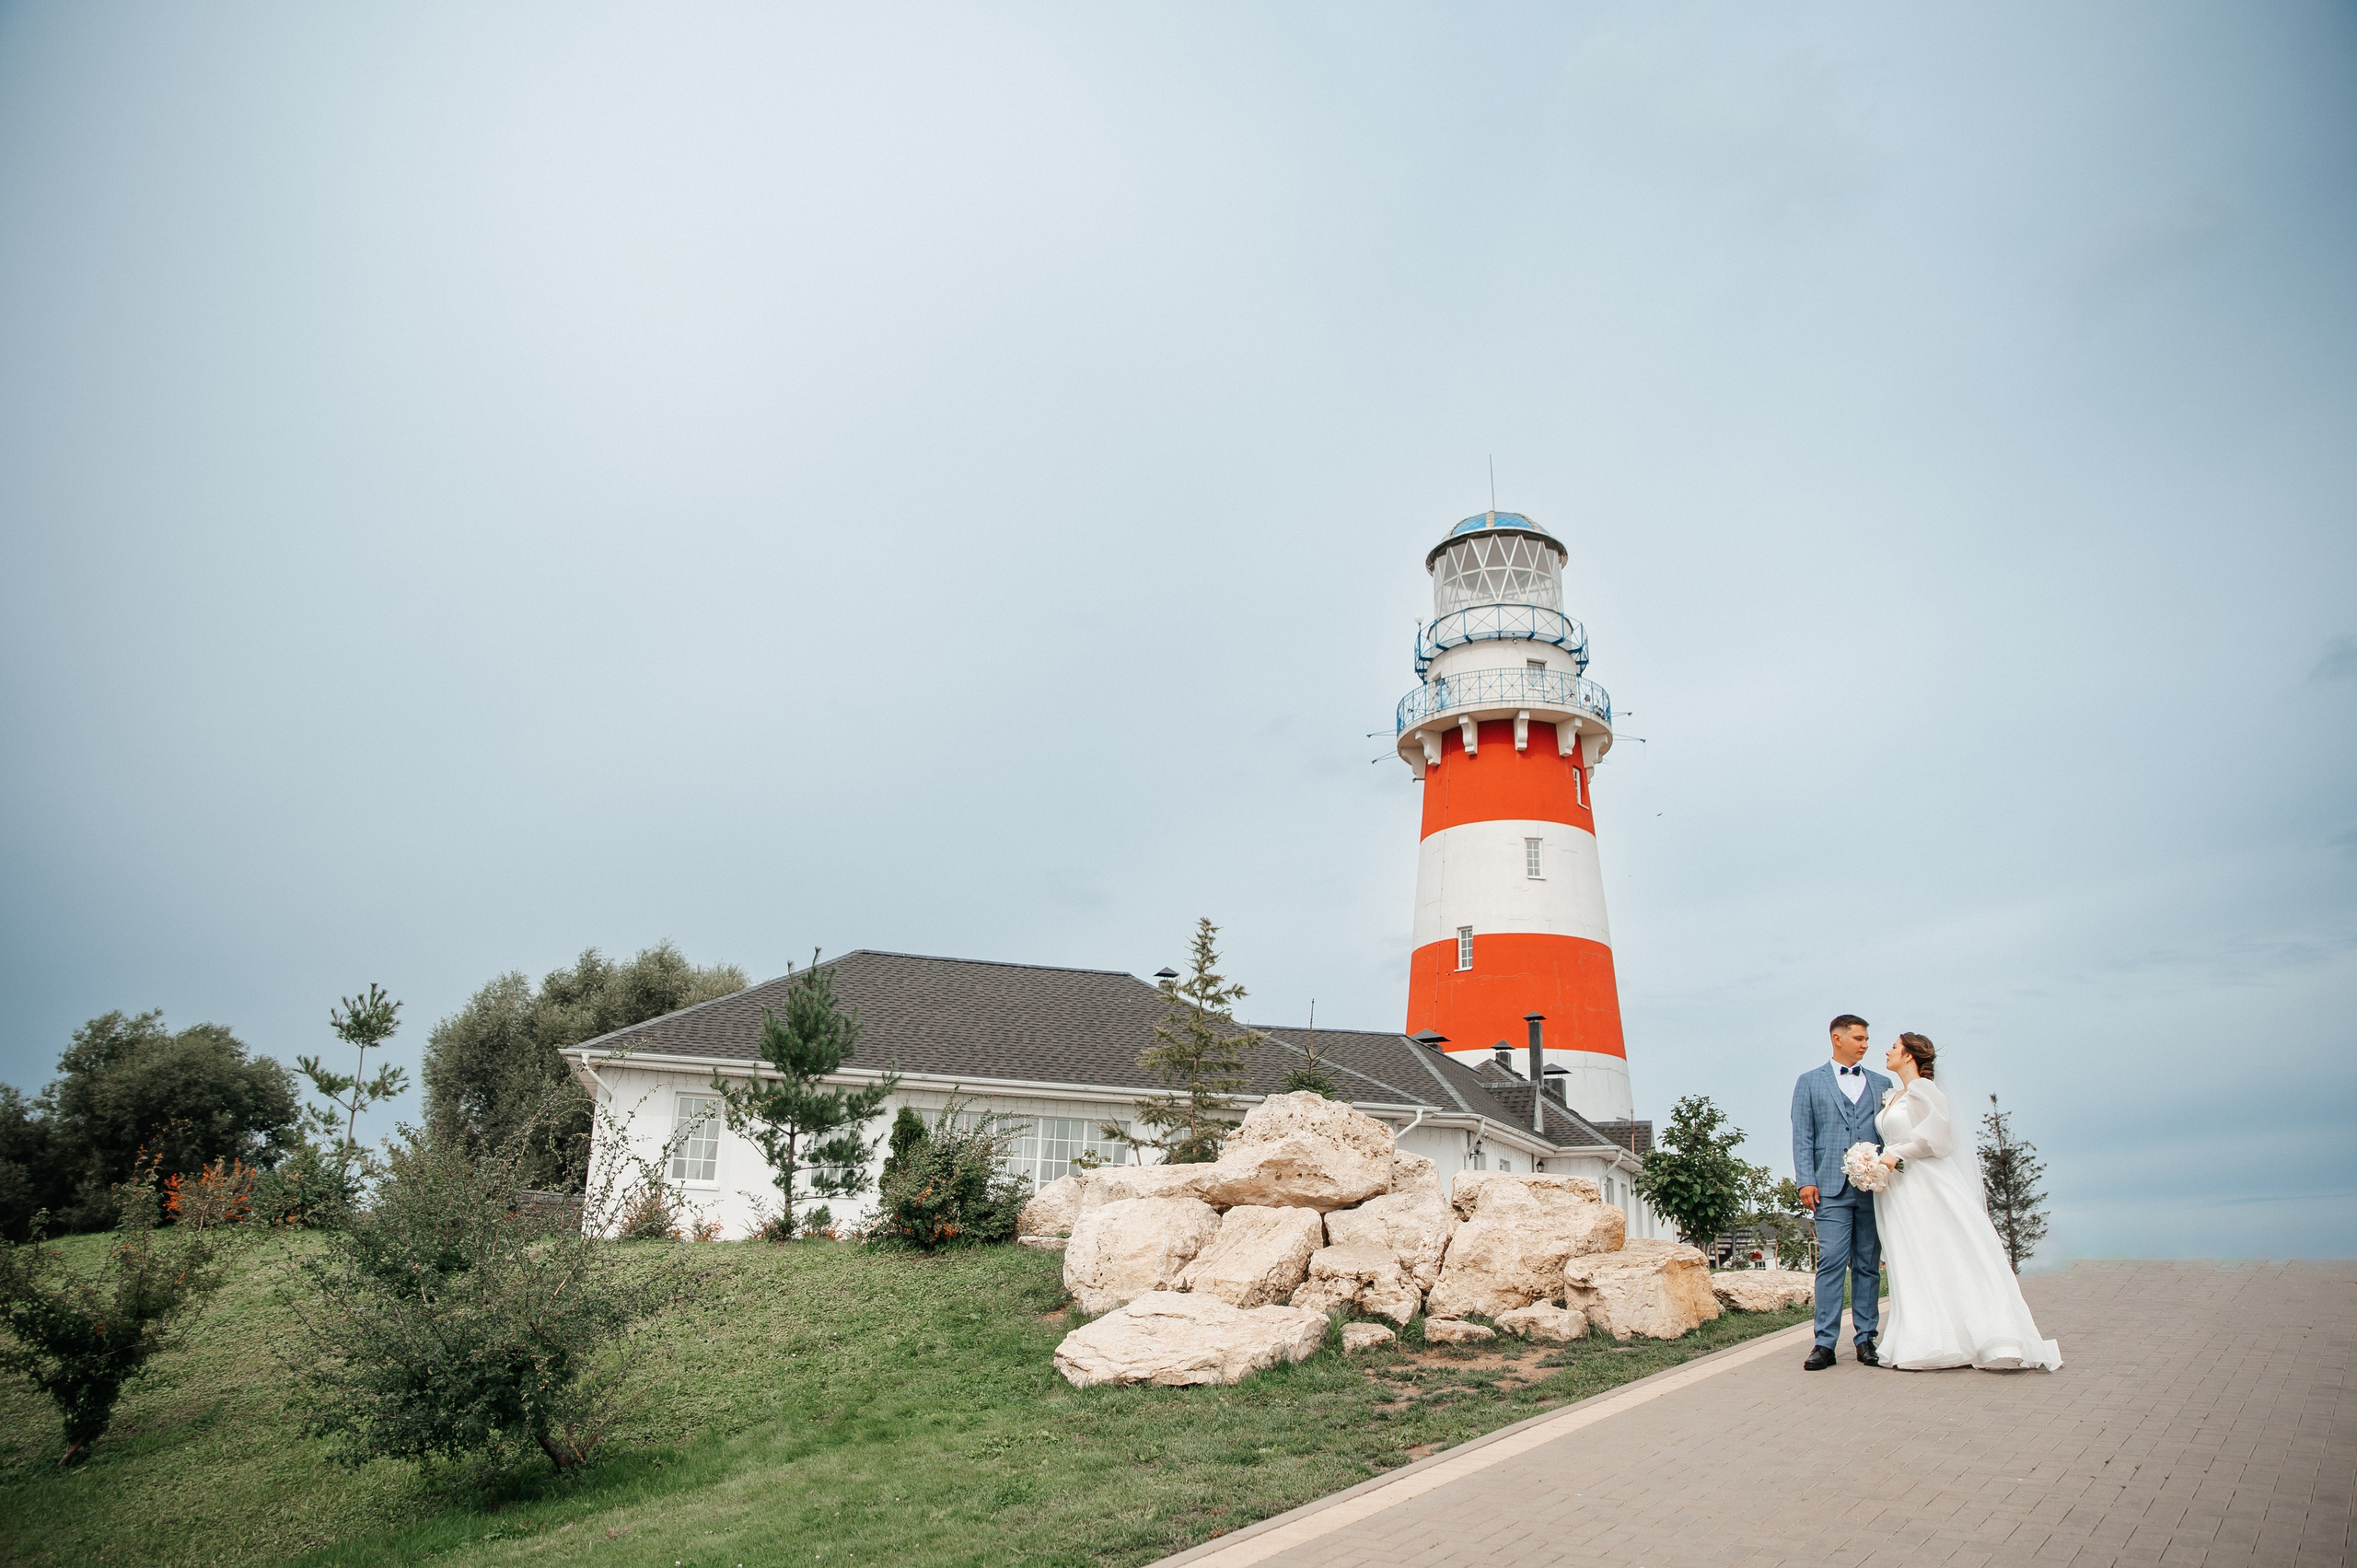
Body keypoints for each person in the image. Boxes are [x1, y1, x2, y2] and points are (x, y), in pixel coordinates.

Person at [1869, 1033, 2062, 1371]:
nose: (1887, 1051)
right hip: (1901, 1192)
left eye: (1894, 1047)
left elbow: (1939, 1141)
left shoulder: (1924, 1090)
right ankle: (1929, 1337)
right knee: (1915, 1259)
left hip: (1928, 1185)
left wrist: (1894, 1153)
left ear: (1910, 1056)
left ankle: (1988, 1335)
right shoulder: (1894, 1095)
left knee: (1949, 1254)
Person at [1791, 1013, 1890, 1370]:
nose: (1866, 1044)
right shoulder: (1809, 1082)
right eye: (1859, 1038)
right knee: (1831, 1261)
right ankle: (1825, 1343)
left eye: (1866, 1039)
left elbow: (1890, 1135)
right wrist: (1806, 1179)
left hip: (1872, 1189)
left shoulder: (1882, 1084)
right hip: (1829, 1189)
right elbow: (1803, 1135)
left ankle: (1866, 1339)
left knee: (1868, 1264)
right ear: (1837, 1038)